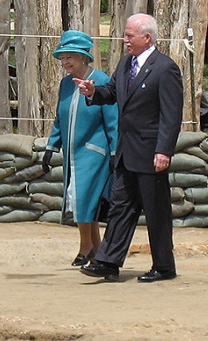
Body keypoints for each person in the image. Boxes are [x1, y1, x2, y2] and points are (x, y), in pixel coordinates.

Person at [74, 13, 183, 282]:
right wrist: (92, 92)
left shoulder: (165, 68)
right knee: (120, 208)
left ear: (147, 38)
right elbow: (111, 91)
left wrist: (164, 151)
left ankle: (164, 266)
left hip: (150, 153)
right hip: (126, 153)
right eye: (125, 35)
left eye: (129, 36)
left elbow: (171, 115)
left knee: (156, 212)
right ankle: (108, 262)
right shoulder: (125, 64)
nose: (125, 41)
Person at [43, 30, 118, 267]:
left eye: (69, 57)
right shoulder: (66, 85)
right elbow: (60, 118)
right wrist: (51, 146)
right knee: (81, 201)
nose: (65, 62)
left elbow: (113, 120)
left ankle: (86, 247)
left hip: (93, 153)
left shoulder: (102, 81)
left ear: (83, 57)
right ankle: (95, 249)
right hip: (72, 154)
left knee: (83, 199)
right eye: (62, 58)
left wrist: (115, 152)